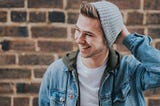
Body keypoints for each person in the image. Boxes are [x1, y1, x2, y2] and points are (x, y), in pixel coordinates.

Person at [39, 1, 160, 106]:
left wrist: (128, 39)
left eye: (88, 34)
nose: (79, 39)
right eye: (77, 30)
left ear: (108, 40)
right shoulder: (56, 72)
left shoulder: (129, 70)